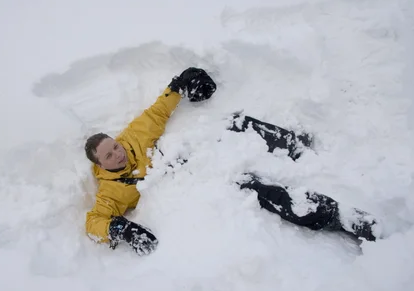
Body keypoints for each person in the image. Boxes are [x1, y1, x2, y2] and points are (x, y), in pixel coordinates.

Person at [84, 68, 377, 256]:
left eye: (115, 146)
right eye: (109, 155)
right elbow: (93, 222)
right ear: (100, 164)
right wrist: (120, 230)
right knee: (265, 193)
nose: (118, 153)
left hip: (197, 153)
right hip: (196, 183)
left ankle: (294, 146)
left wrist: (181, 83)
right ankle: (338, 216)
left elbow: (157, 112)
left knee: (237, 122)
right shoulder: (110, 192)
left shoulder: (132, 137)